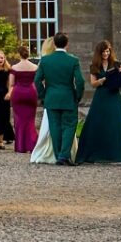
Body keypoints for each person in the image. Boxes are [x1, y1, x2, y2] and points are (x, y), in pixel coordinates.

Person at [76, 40, 121, 165]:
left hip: (113, 96)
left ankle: (120, 155)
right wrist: (102, 80)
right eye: (104, 52)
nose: (106, 53)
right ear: (99, 53)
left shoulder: (116, 64)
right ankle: (92, 154)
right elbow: (93, 83)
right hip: (101, 96)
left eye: (108, 51)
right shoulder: (95, 65)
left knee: (116, 124)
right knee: (96, 123)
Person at [34, 33, 84, 166]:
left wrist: (43, 95)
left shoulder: (45, 60)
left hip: (51, 97)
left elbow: (37, 80)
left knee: (54, 126)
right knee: (69, 126)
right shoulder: (73, 60)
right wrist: (77, 96)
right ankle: (64, 155)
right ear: (67, 44)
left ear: (54, 44)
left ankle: (58, 155)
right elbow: (80, 81)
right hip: (68, 97)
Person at [8, 45, 38, 154]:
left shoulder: (14, 67)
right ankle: (32, 144)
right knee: (30, 121)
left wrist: (9, 93)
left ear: (18, 54)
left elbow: (11, 84)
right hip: (31, 93)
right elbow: (38, 81)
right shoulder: (35, 67)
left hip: (18, 93)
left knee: (19, 121)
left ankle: (21, 146)